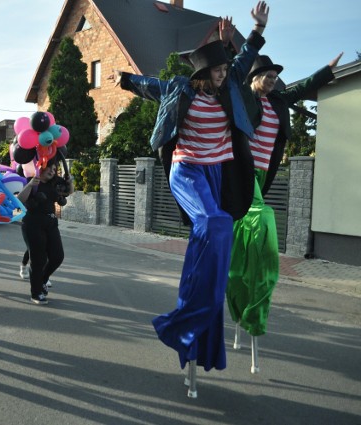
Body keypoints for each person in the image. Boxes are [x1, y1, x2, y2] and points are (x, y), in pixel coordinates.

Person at [113, 3, 268, 378]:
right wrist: (125, 80)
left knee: (220, 240)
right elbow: (151, 85)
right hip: (187, 168)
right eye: (217, 71)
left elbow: (244, 60)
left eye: (224, 70)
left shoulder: (229, 85)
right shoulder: (182, 89)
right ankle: (182, 319)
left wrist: (256, 30)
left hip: (219, 172)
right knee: (214, 223)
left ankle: (199, 324)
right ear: (202, 73)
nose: (223, 75)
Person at [226, 53, 342, 349]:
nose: (273, 81)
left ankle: (237, 283)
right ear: (255, 78)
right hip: (245, 168)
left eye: (275, 78)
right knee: (262, 220)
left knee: (244, 229)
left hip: (265, 171)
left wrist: (326, 70)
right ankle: (255, 283)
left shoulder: (277, 100)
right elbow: (230, 78)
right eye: (268, 76)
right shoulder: (243, 96)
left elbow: (301, 88)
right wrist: (228, 44)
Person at [17, 159, 73, 305]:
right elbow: (20, 200)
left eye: (54, 169)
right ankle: (36, 293)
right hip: (32, 225)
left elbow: (68, 192)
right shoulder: (30, 180)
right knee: (38, 260)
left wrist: (70, 181)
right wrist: (30, 185)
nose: (52, 171)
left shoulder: (55, 183)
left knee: (57, 256)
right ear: (40, 167)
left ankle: (42, 280)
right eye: (49, 168)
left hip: (51, 224)